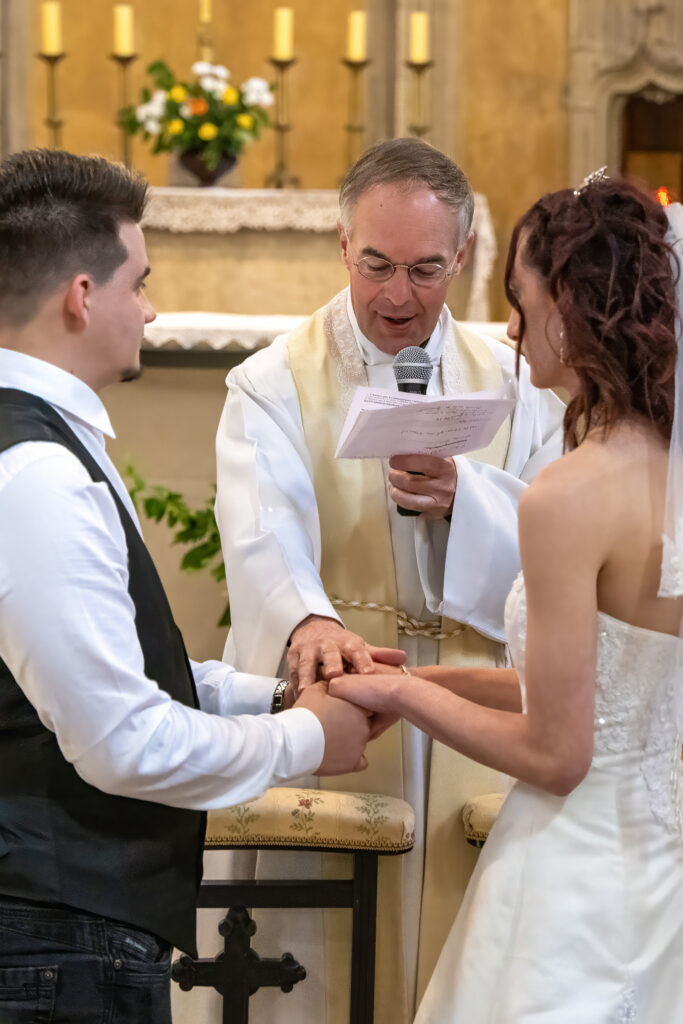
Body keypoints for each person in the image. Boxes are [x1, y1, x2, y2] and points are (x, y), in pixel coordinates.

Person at [0, 148, 386, 1024]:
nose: (153, 307)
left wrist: (276, 694)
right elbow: (122, 741)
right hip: (52, 939)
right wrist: (302, 739)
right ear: (81, 296)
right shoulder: (32, 471)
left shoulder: (45, 446)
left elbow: (120, 670)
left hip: (63, 931)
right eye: (138, 283)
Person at [214, 137, 566, 1023]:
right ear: (341, 245)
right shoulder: (273, 383)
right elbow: (263, 532)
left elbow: (564, 547)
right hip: (345, 693)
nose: (398, 297)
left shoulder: (523, 386)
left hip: (474, 706)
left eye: (424, 268)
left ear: (464, 254)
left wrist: (467, 501)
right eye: (375, 264)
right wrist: (307, 625)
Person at [331, 178, 683, 1022]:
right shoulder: (665, 472)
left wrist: (407, 693)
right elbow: (604, 693)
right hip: (662, 866)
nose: (514, 332)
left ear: (573, 306)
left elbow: (559, 754)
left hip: (574, 879)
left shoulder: (568, 496)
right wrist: (414, 683)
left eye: (521, 304)